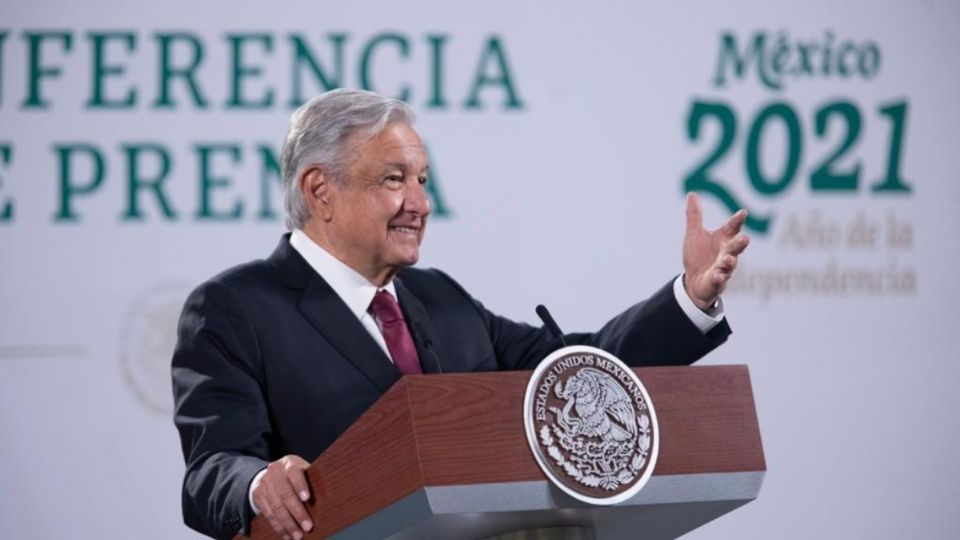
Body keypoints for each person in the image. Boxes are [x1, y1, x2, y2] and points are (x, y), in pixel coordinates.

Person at [171, 89, 749, 540]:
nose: (420, 203)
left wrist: (689, 299)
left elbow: (578, 375)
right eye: (394, 180)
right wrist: (256, 484)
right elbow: (210, 472)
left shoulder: (440, 298)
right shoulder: (234, 308)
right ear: (320, 190)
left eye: (422, 180)